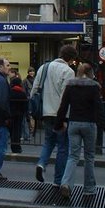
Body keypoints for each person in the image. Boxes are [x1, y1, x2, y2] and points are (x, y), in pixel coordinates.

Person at [55, 62, 105, 198]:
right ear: (90, 72)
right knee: (89, 157)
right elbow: (99, 109)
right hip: (89, 124)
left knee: (72, 156)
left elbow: (63, 106)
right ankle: (89, 188)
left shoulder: (70, 85)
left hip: (73, 123)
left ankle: (66, 183)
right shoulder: (93, 87)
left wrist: (58, 124)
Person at [31, 44, 77, 186]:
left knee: (48, 141)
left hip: (45, 112)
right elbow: (66, 96)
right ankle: (58, 180)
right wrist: (63, 118)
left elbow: (34, 91)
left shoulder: (43, 68)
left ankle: (41, 164)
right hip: (60, 114)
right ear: (71, 59)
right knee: (63, 147)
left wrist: (33, 111)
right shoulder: (68, 71)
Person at [9, 75, 28, 153]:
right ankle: (17, 147)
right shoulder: (22, 93)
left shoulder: (10, 92)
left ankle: (12, 145)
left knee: (11, 131)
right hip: (19, 115)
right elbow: (25, 106)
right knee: (18, 131)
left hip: (11, 114)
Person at [22, 66, 35, 141]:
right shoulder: (25, 81)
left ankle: (32, 130)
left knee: (33, 115)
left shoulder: (36, 80)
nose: (31, 72)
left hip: (34, 100)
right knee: (29, 115)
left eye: (32, 71)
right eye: (30, 71)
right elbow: (24, 90)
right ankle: (30, 130)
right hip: (28, 100)